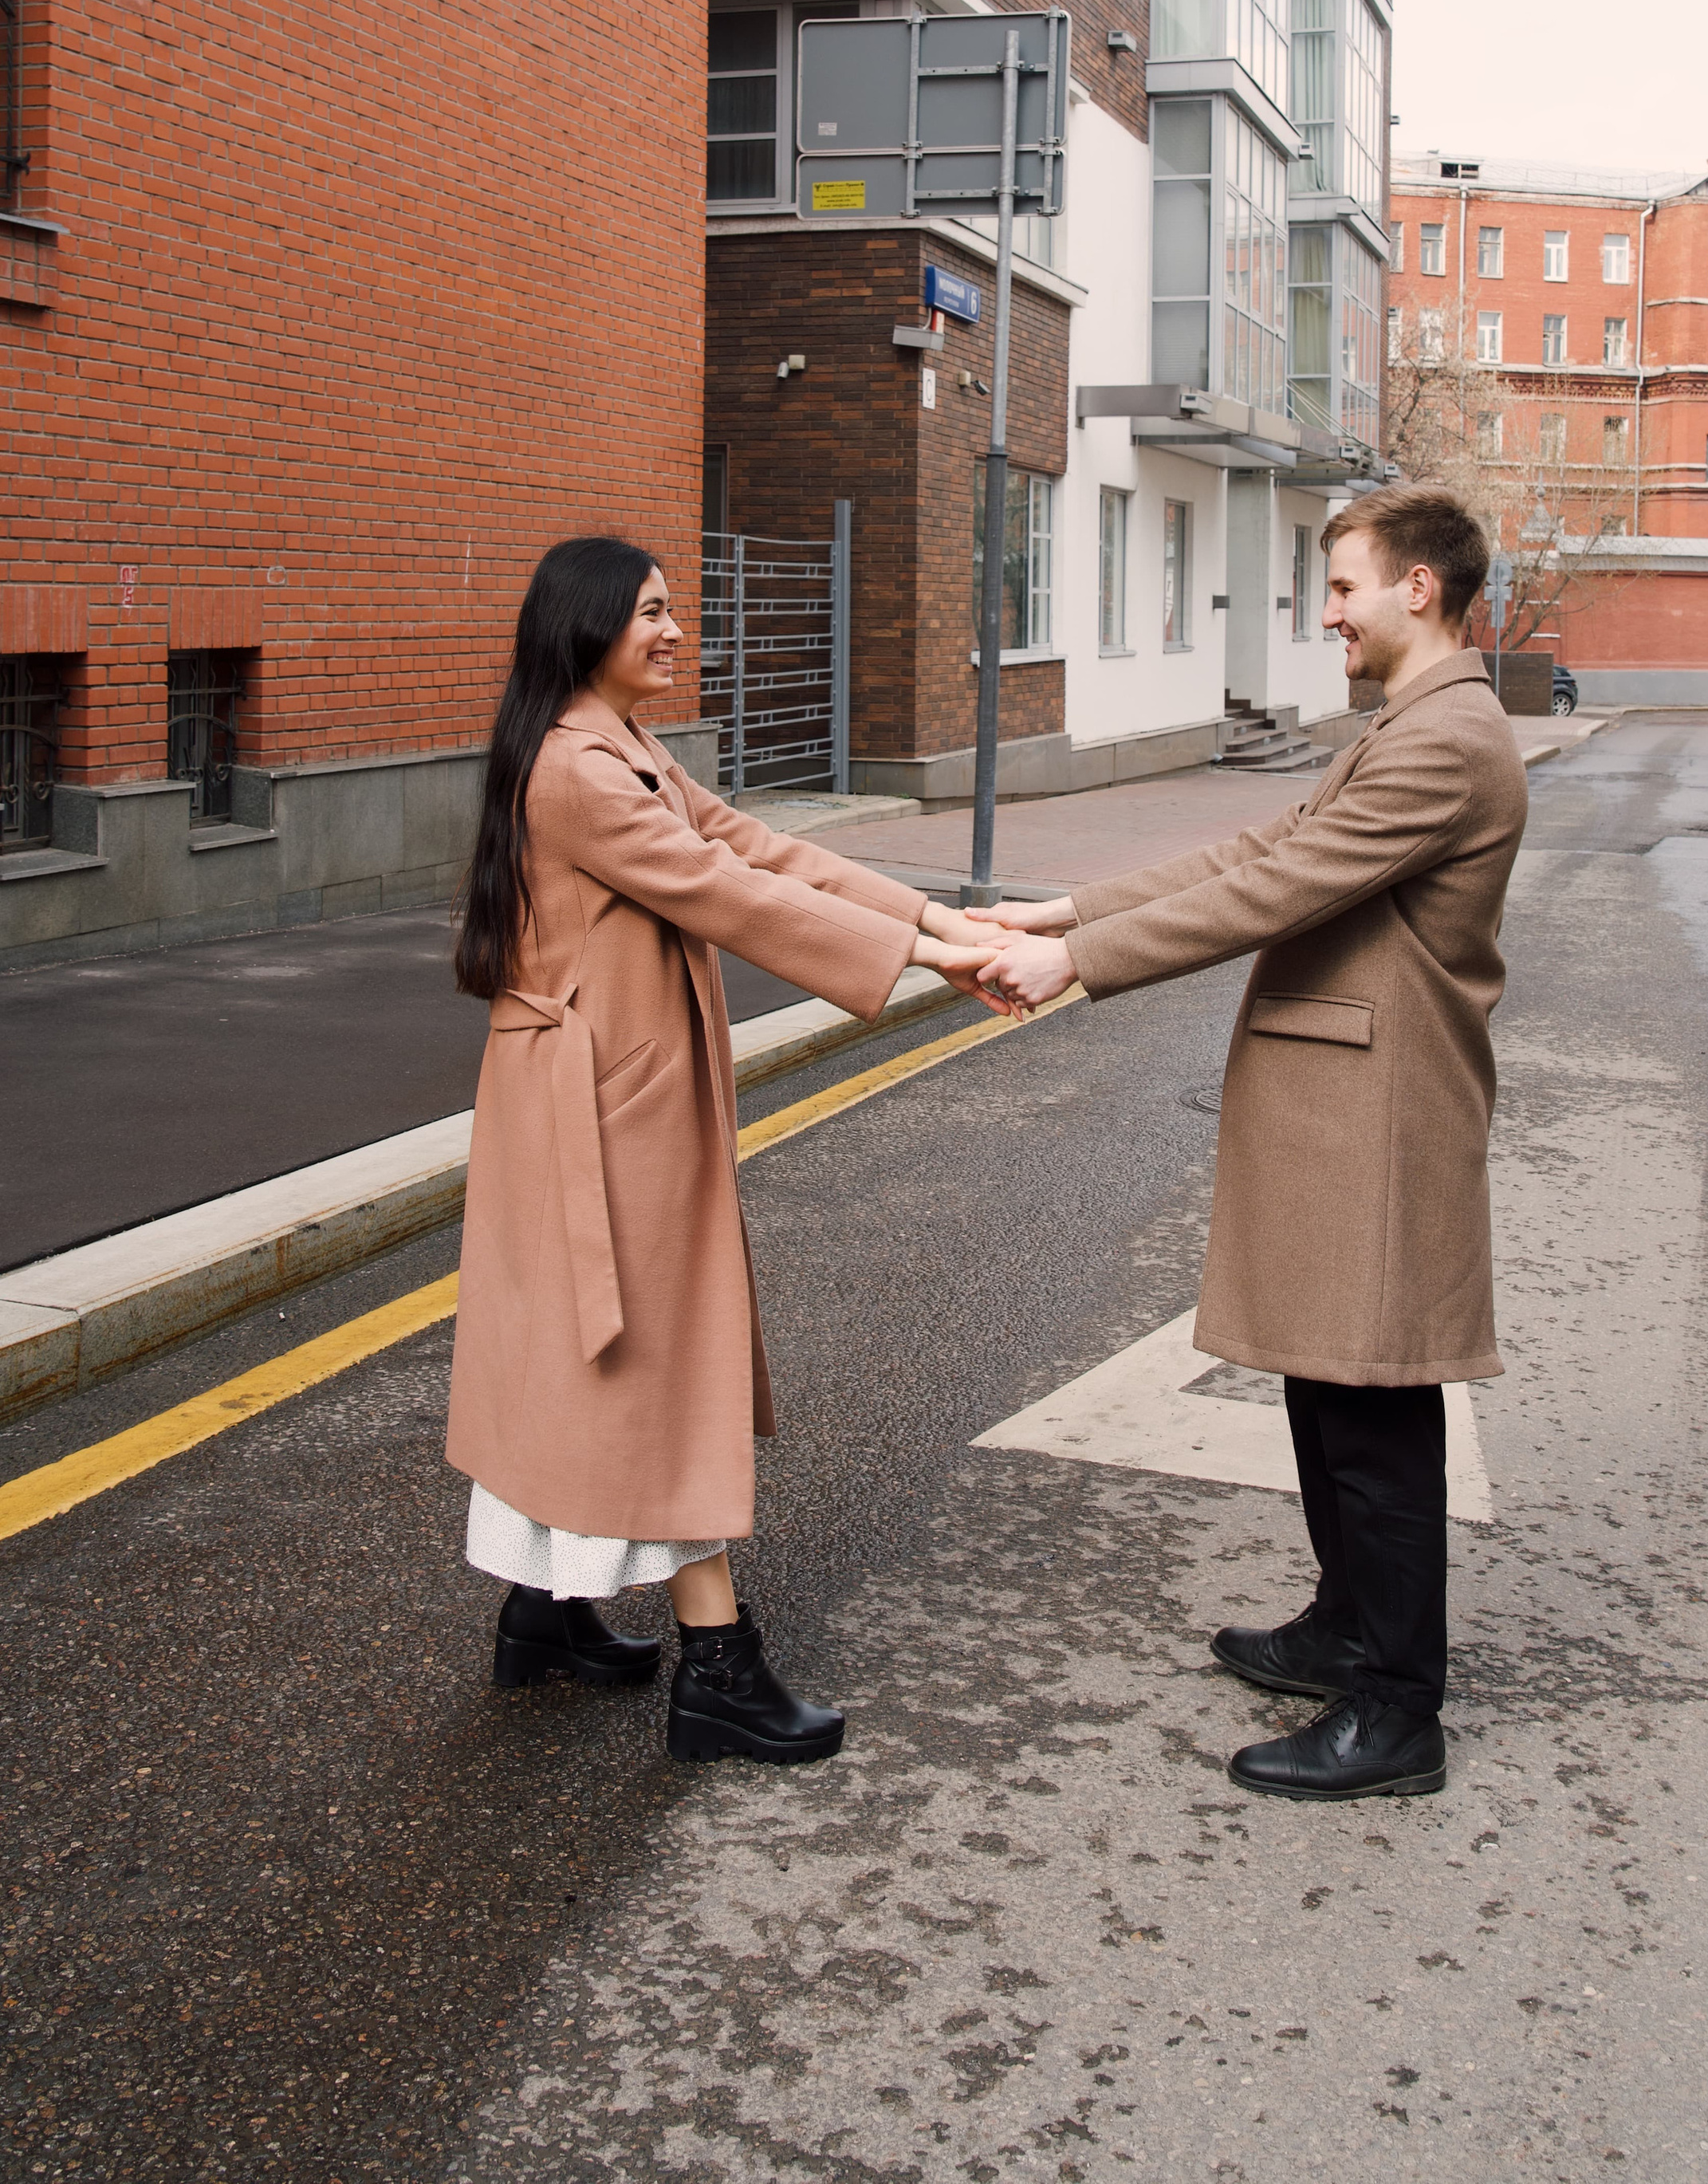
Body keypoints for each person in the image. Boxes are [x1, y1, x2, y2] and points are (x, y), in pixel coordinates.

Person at [970, 486, 1529, 1800]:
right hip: (1346, 1102)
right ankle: (1348, 1624)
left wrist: (1076, 965)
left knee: (1376, 1406)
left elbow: (1284, 886)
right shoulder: (1408, 724)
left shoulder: (1447, 740)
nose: (1325, 612)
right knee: (1327, 1382)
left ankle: (1396, 1709)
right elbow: (1265, 842)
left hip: (1382, 1114)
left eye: (1343, 588)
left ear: (1419, 591)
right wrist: (1062, 909)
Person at [447, 535, 1012, 1765]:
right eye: (648, 612)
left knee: (581, 1359)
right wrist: (934, 960)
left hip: (612, 1093)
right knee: (654, 1361)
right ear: (585, 625)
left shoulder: (621, 747)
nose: (672, 630)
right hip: (596, 1111)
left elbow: (761, 850)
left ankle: (543, 1615)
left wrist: (929, 916)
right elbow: (730, 897)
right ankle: (718, 1668)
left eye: (672, 610)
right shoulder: (579, 771)